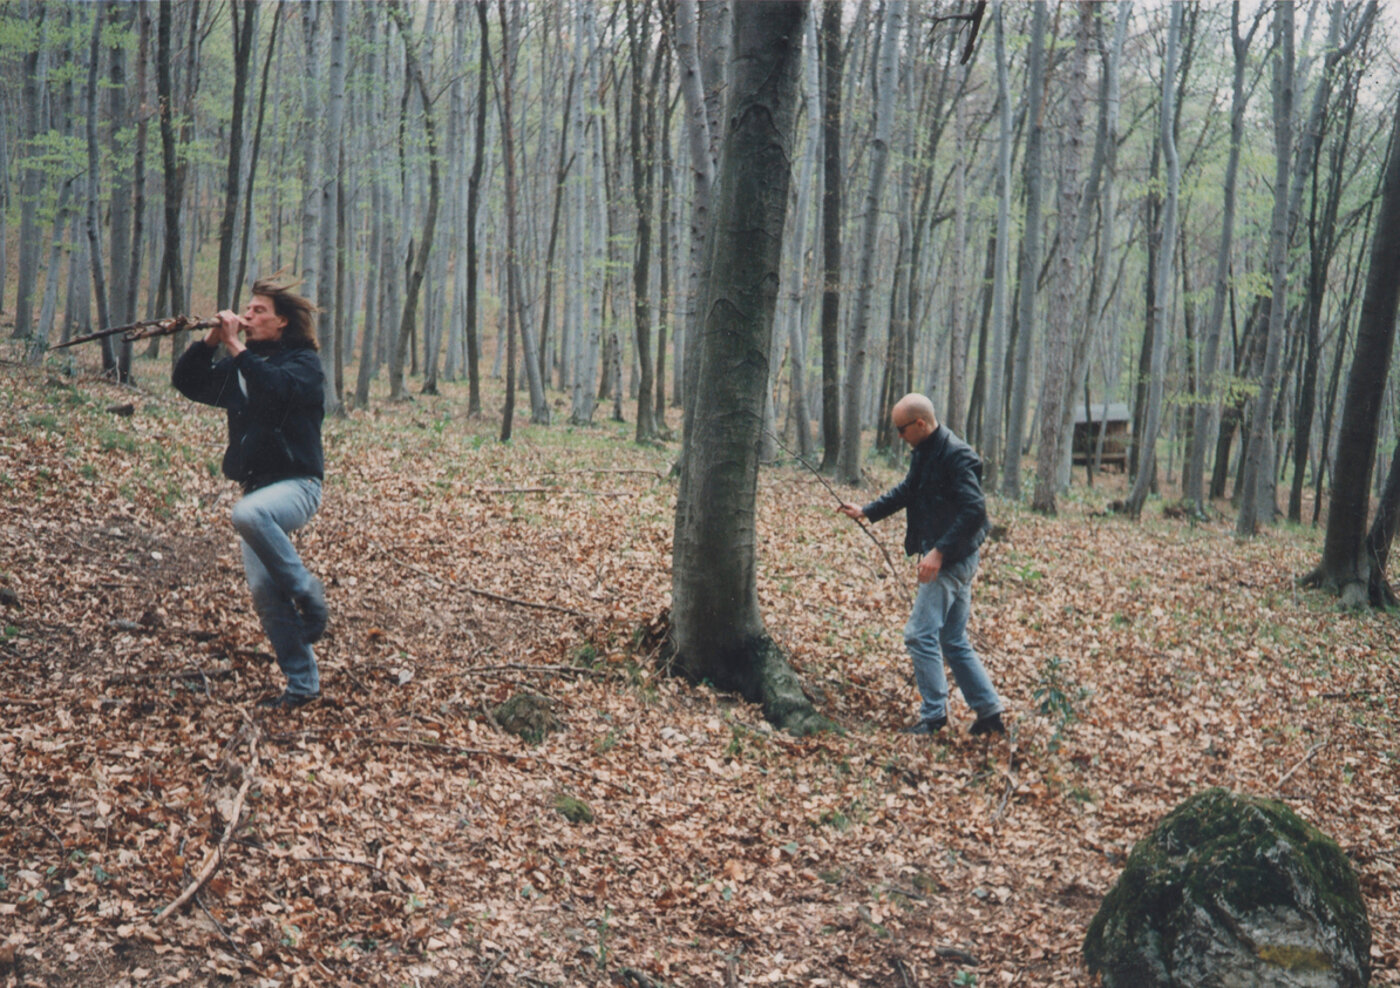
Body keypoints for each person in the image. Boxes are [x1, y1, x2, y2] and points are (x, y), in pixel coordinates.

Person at [173, 278, 328, 711]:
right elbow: (188, 382)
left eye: (259, 311)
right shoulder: (244, 367)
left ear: (281, 321)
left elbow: (275, 389)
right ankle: (302, 686)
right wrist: (211, 340)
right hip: (258, 490)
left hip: (299, 486)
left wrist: (236, 347)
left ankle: (306, 589)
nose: (248, 316)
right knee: (264, 594)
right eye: (248, 309)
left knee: (247, 515)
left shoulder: (303, 364)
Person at [839, 393, 1005, 737]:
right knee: (953, 638)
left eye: (902, 430)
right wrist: (868, 511)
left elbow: (975, 511)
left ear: (920, 424)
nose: (899, 437)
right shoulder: (925, 451)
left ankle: (933, 718)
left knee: (919, 634)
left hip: (951, 560)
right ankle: (989, 713)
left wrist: (939, 553)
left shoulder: (957, 455)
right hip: (951, 556)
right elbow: (908, 490)